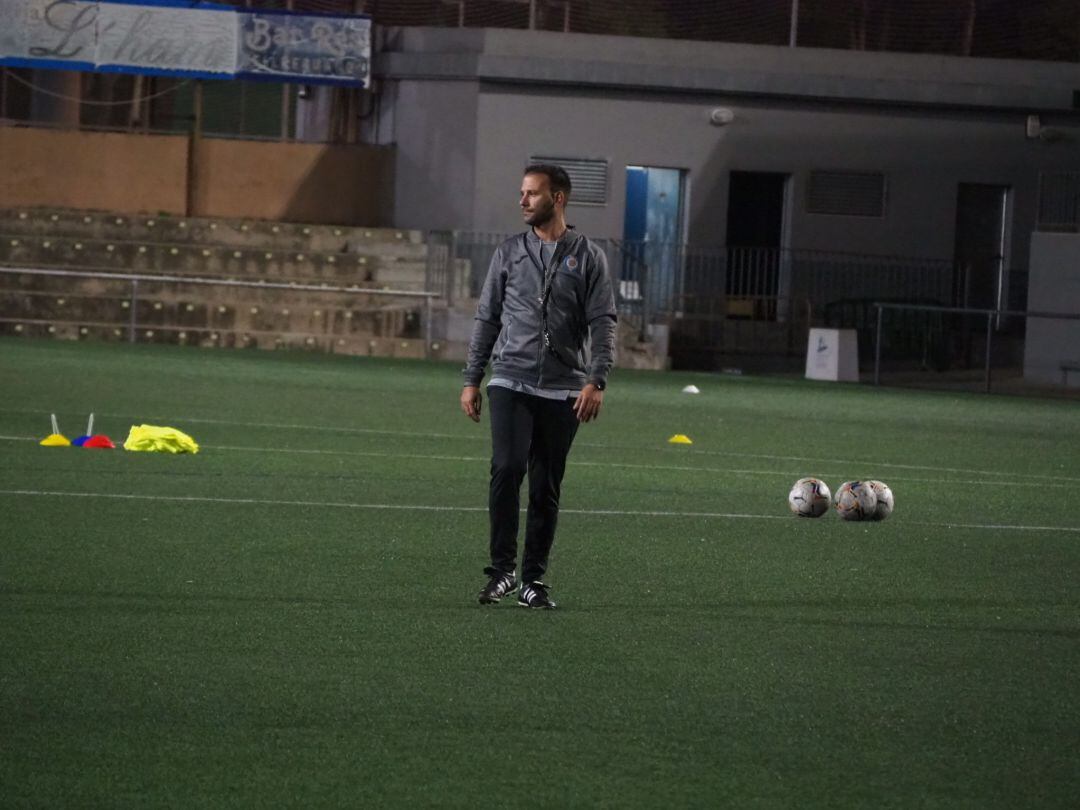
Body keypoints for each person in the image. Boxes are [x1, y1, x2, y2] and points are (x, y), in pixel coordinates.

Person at [460, 164, 617, 609]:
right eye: (522, 193)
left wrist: (596, 380)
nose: (523, 200)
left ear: (558, 198)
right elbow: (487, 316)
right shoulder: (509, 253)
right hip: (510, 377)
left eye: (532, 193)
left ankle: (532, 579)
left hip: (564, 388)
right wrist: (473, 378)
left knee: (546, 484)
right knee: (507, 468)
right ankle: (501, 572)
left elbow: (603, 322)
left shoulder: (588, 256)